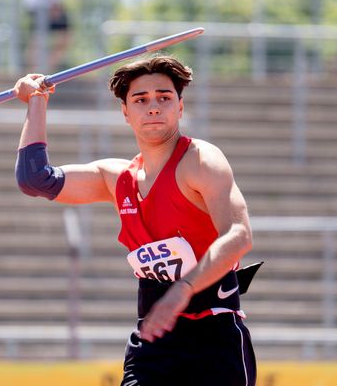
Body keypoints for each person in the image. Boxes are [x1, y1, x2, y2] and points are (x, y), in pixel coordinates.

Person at [13, 55, 257, 385]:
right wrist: (37, 102)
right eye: (140, 100)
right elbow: (35, 179)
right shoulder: (115, 178)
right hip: (152, 342)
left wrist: (183, 289)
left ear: (180, 107)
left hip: (213, 340)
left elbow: (239, 236)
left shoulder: (200, 160)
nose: (153, 107)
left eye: (164, 98)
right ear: (125, 112)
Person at [22, 0, 71, 72]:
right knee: (36, 42)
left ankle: (46, 70)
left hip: (53, 6)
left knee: (64, 39)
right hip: (40, 7)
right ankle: (32, 72)